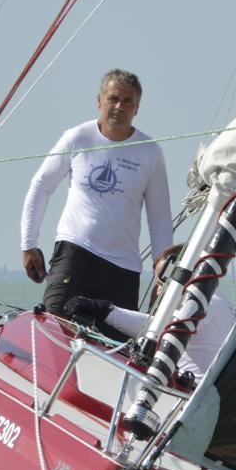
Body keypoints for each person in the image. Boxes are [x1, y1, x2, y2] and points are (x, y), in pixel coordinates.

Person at [21, 70, 173, 314]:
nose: (119, 106)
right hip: (75, 252)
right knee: (55, 322)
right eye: (113, 99)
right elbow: (41, 185)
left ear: (137, 108)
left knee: (116, 338)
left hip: (122, 268)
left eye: (127, 101)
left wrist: (162, 270)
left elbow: (160, 217)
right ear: (99, 100)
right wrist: (29, 244)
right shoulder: (77, 138)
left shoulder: (150, 153)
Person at [64, 244, 236, 385]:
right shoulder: (218, 300)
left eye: (163, 279)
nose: (159, 290)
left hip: (190, 396)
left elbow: (157, 329)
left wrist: (102, 309)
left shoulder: (198, 303)